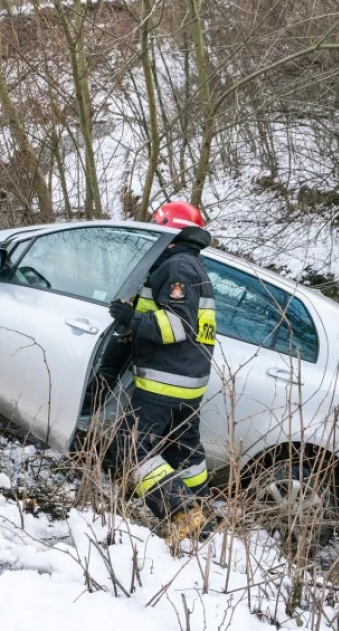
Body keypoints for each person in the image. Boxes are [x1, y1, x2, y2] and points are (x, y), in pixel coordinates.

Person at [107, 201, 216, 544]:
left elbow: (178, 325)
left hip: (162, 383)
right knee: (185, 453)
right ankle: (205, 517)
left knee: (129, 451)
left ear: (170, 230)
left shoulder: (176, 267)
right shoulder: (194, 266)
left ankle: (185, 514)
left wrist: (131, 319)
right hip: (188, 383)